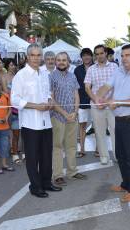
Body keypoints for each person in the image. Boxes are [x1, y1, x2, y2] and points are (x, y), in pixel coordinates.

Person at [96, 44, 130, 203]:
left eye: (127, 55)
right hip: (119, 119)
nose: (124, 58)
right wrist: (99, 97)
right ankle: (126, 184)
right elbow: (106, 87)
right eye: (122, 55)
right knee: (120, 154)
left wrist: (118, 102)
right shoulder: (118, 71)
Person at [11, 43, 62, 198]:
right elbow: (14, 100)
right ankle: (35, 186)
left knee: (47, 155)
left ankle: (46, 182)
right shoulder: (21, 75)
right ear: (27, 57)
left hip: (46, 121)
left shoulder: (45, 74)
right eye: (32, 55)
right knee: (32, 158)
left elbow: (47, 93)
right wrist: (35, 106)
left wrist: (50, 101)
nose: (36, 58)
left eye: (38, 55)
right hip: (30, 123)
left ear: (42, 57)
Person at [50, 52, 87, 186]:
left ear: (68, 62)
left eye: (63, 60)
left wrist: (75, 112)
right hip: (58, 116)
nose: (61, 62)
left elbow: (76, 95)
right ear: (55, 62)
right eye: (58, 60)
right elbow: (51, 99)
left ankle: (72, 171)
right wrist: (65, 114)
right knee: (58, 146)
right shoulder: (51, 77)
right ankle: (58, 175)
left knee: (71, 146)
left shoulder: (72, 76)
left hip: (72, 116)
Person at [84, 45, 118, 164]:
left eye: (101, 53)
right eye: (97, 54)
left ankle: (117, 155)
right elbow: (87, 87)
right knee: (99, 132)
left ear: (106, 53)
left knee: (115, 131)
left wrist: (109, 100)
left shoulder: (115, 67)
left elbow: (117, 86)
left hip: (111, 105)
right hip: (96, 105)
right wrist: (96, 100)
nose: (99, 56)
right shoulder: (91, 69)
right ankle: (104, 156)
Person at [74, 48, 93, 158]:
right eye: (84, 55)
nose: (86, 57)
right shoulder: (77, 70)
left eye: (88, 55)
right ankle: (82, 149)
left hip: (95, 100)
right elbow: (75, 87)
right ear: (81, 57)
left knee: (97, 127)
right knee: (82, 126)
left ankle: (98, 149)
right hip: (81, 101)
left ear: (91, 56)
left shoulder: (96, 67)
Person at [4, 59, 22, 163]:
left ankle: (24, 153)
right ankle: (15, 153)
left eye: (14, 65)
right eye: (10, 65)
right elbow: (6, 92)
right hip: (14, 110)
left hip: (24, 110)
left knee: (25, 135)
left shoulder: (20, 78)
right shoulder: (6, 79)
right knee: (15, 134)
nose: (12, 66)